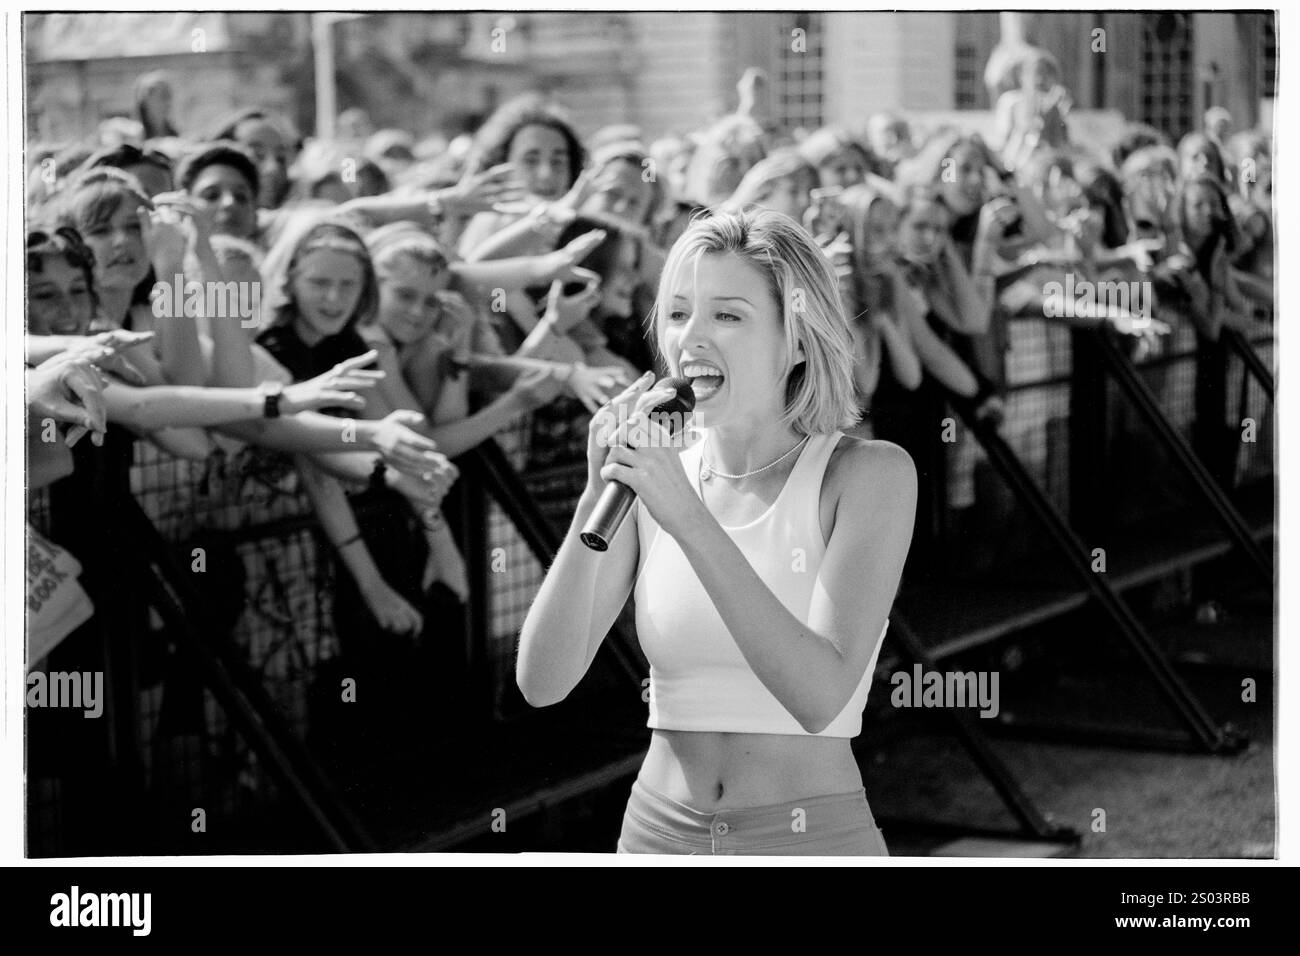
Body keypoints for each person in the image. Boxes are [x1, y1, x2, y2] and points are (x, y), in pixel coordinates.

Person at [517, 208, 915, 855]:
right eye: (678, 314)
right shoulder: (656, 479)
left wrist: (689, 519)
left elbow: (818, 696)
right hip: (654, 835)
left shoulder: (871, 474)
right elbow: (542, 682)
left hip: (806, 839)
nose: (691, 339)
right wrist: (598, 491)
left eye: (727, 315)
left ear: (796, 336)